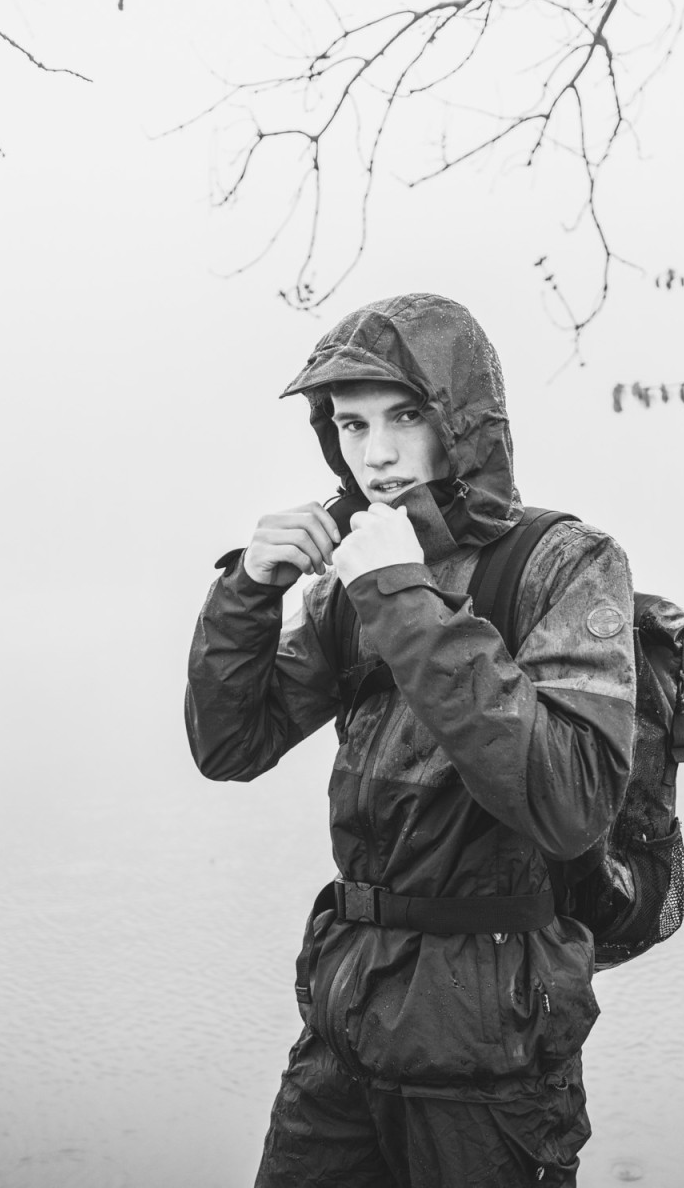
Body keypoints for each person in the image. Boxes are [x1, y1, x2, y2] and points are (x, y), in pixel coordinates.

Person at [185, 293, 636, 1187]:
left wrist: (398, 592)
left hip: (494, 1055)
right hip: (344, 1030)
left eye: (405, 417)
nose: (376, 454)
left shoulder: (565, 563)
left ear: (462, 421)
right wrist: (250, 589)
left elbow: (570, 801)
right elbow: (229, 746)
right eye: (351, 425)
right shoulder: (355, 576)